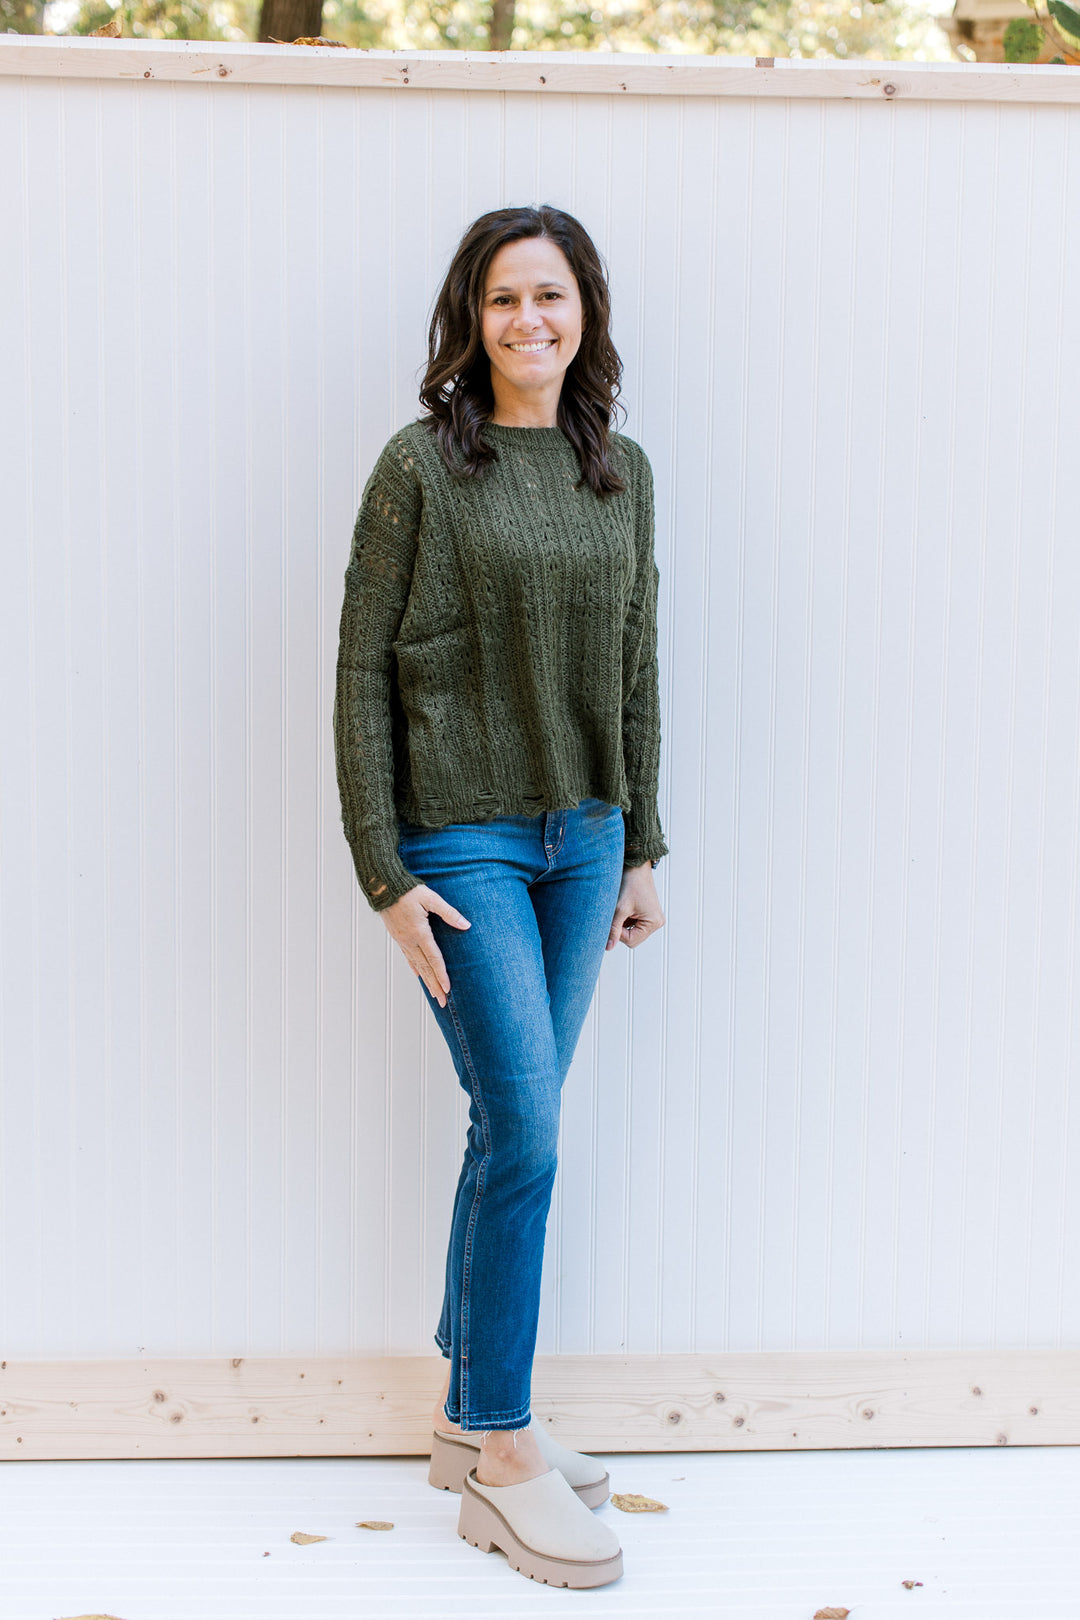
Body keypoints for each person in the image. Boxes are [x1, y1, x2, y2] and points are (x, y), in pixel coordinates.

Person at [333, 203, 668, 1590]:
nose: (528, 322)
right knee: (525, 1126)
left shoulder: (620, 469)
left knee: (507, 1127)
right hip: (461, 843)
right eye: (500, 302)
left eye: (551, 296)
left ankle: (468, 1418)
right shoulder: (421, 467)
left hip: (583, 837)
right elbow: (359, 672)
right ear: (469, 323)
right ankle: (507, 1449)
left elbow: (639, 656)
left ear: (585, 309)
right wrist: (384, 873)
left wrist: (641, 842)